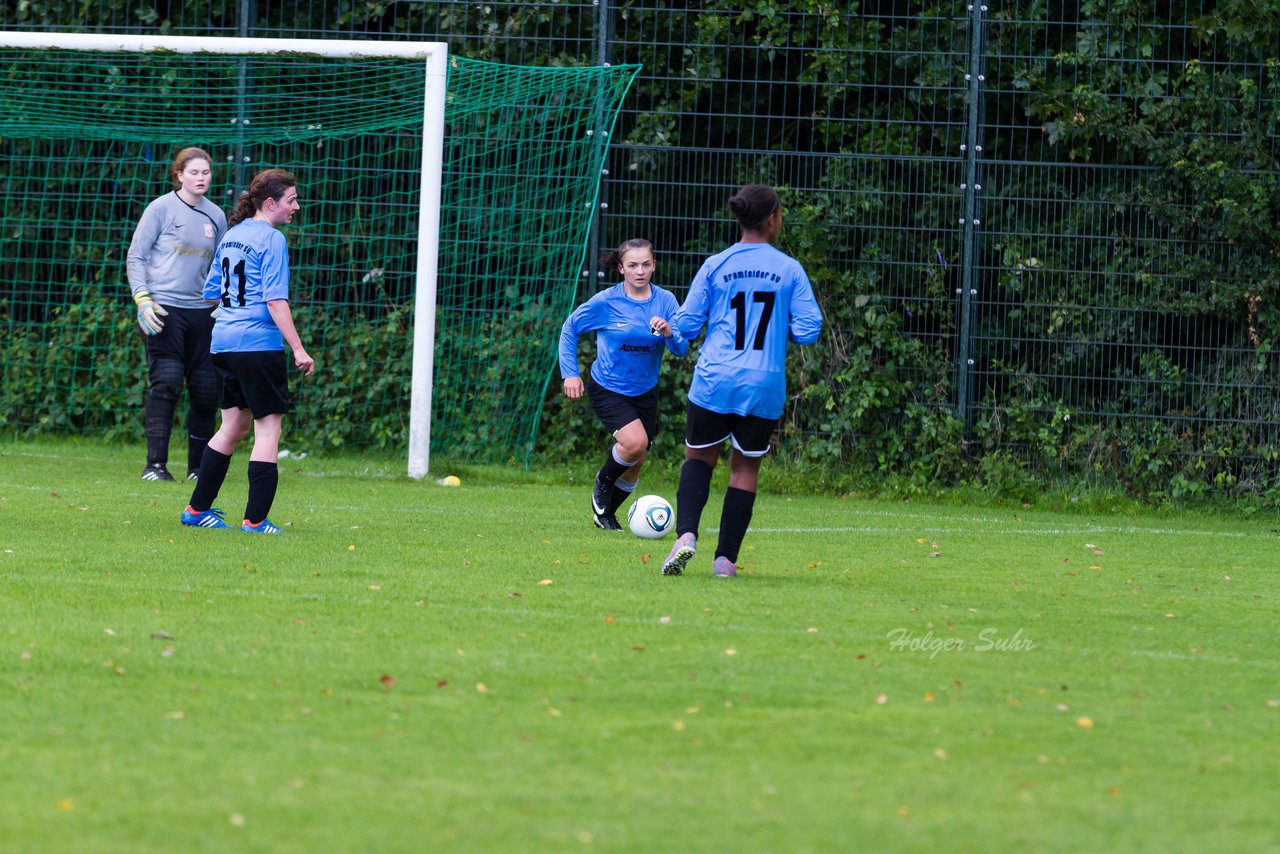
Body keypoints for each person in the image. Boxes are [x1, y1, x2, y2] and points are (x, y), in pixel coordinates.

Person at [661, 184, 824, 577]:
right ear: (772, 220)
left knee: (699, 458)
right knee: (744, 470)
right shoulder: (789, 269)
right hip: (763, 383)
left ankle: (685, 537)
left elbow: (686, 323)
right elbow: (810, 329)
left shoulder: (716, 264)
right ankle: (724, 561)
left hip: (715, 378)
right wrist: (777, 329)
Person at [180, 168, 315, 534]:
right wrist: (299, 348)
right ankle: (255, 521)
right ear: (270, 203)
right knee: (268, 429)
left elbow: (211, 291)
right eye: (291, 200)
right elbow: (275, 300)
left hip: (223, 341)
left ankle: (196, 510)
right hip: (257, 345)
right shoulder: (272, 240)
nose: (296, 207)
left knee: (233, 427)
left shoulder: (232, 236)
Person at [558, 238, 689, 529]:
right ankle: (603, 481)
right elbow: (570, 328)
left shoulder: (666, 301)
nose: (639, 271)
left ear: (654, 265)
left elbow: (681, 348)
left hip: (645, 391)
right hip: (608, 387)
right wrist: (571, 372)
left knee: (638, 459)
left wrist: (669, 332)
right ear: (621, 269)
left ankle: (604, 515)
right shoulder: (607, 302)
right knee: (635, 442)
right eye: (632, 265)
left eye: (645, 264)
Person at [127, 147, 228, 482]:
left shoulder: (216, 216)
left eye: (206, 173)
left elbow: (223, 267)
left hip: (203, 314)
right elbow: (136, 256)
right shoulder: (160, 209)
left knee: (205, 391)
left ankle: (198, 469)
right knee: (167, 383)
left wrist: (223, 304)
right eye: (194, 172)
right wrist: (143, 300)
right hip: (163, 310)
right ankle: (155, 466)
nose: (201, 178)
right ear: (179, 175)